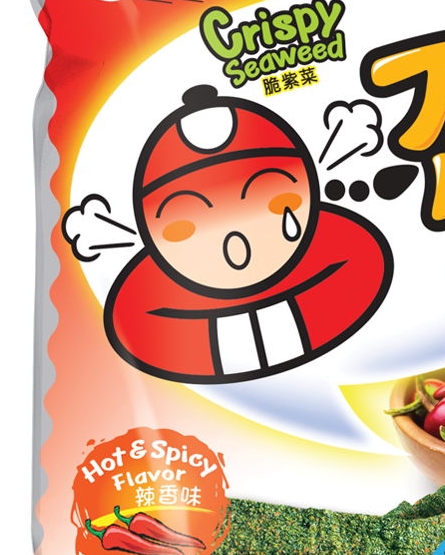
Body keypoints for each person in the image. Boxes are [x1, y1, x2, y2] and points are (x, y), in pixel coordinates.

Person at [104, 86, 392, 382]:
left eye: (273, 201)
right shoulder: (149, 303)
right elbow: (139, 332)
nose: (236, 250)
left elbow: (364, 269)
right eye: (186, 228)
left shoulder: (342, 249)